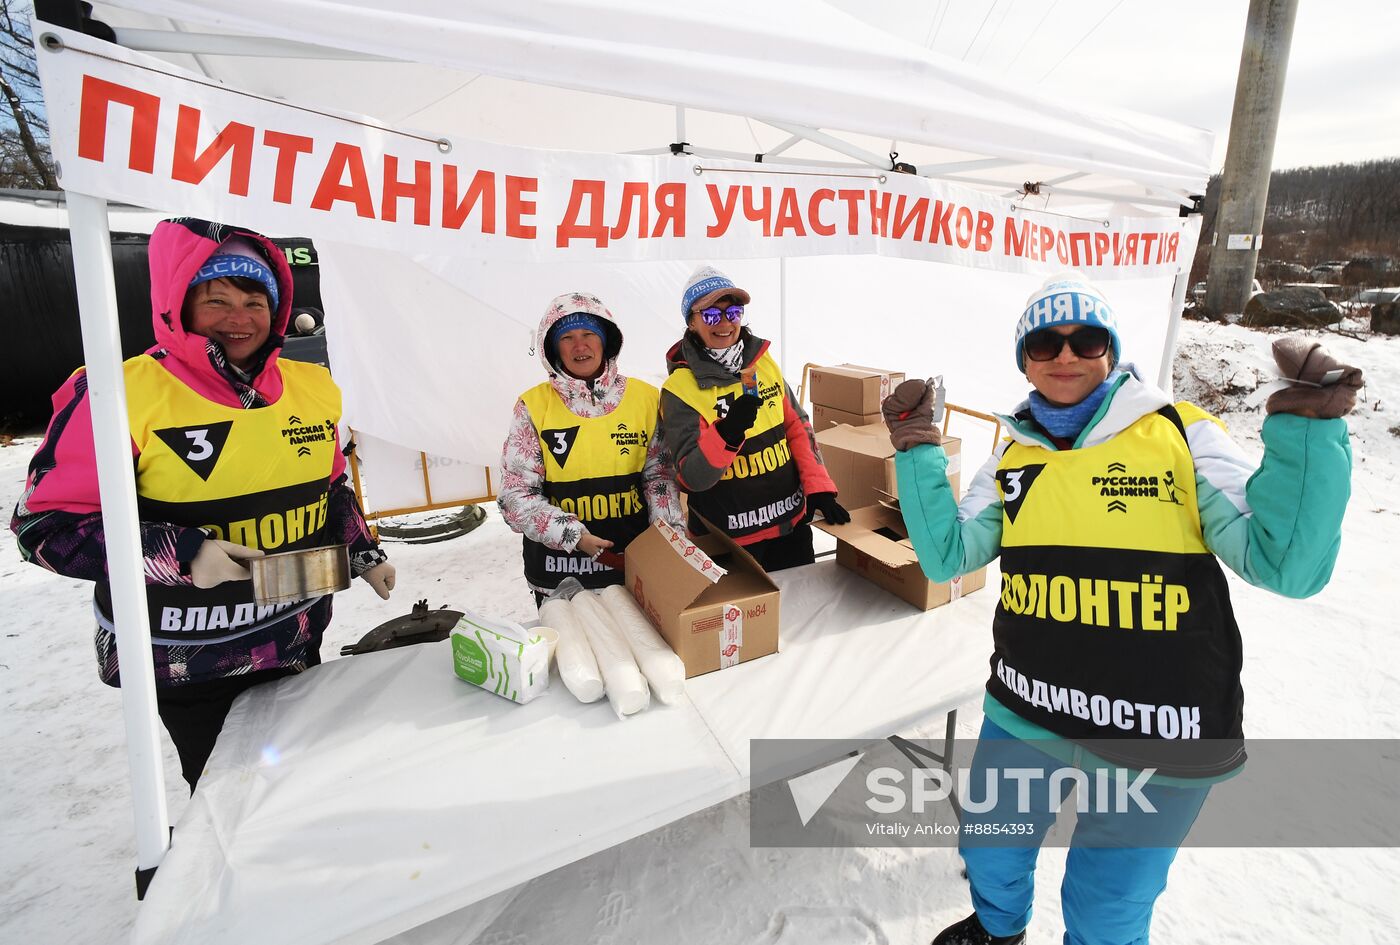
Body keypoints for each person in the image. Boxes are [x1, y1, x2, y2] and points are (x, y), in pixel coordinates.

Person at [881, 273, 1360, 945]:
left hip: (1158, 727)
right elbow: (947, 555)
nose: (1065, 355)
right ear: (1025, 358)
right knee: (990, 848)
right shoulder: (1012, 454)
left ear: (1111, 349)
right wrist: (918, 450)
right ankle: (996, 930)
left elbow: (1285, 563)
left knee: (1104, 907)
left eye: (1086, 339)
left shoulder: (1176, 433)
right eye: (1045, 342)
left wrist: (1308, 427)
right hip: (1029, 705)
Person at [11, 217, 395, 791]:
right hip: (187, 658)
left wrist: (362, 551)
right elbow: (43, 526)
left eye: (254, 301)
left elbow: (330, 488)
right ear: (177, 305)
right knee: (234, 800)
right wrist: (184, 554)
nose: (240, 318)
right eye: (216, 301)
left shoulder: (313, 387)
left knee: (305, 785)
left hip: (291, 634)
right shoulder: (118, 394)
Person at [659, 265, 849, 571]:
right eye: (710, 315)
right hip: (728, 542)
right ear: (692, 323)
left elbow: (797, 426)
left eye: (732, 312)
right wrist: (727, 434)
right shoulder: (678, 390)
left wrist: (819, 488)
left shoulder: (763, 363)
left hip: (789, 528)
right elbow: (691, 478)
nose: (724, 323)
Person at [499, 292, 683, 603]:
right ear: (553, 346)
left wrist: (671, 538)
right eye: (567, 337)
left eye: (588, 334)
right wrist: (575, 536)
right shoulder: (532, 406)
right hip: (559, 575)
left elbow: (659, 479)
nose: (580, 346)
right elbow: (514, 498)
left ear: (605, 340)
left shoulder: (646, 399)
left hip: (633, 569)